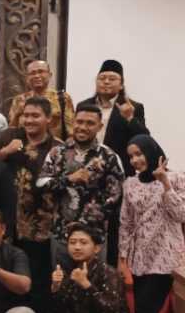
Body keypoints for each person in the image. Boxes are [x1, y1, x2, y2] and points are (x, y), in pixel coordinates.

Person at [119, 135, 185, 313]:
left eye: (139, 154)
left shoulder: (177, 177)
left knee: (145, 311)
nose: (135, 160)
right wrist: (122, 257)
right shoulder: (130, 183)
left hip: (165, 259)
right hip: (139, 259)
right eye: (131, 156)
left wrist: (165, 182)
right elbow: (126, 222)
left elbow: (181, 214)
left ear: (152, 151)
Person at [0, 97, 60, 313]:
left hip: (39, 227)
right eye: (26, 115)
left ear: (48, 118)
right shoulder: (8, 137)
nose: (29, 120)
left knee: (36, 280)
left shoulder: (57, 148)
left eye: (35, 115)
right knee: (5, 276)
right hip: (6, 225)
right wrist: (5, 152)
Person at [37, 105, 124, 271]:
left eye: (90, 123)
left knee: (94, 285)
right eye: (79, 121)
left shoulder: (109, 156)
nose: (83, 127)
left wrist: (86, 222)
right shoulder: (57, 152)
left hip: (94, 240)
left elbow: (117, 197)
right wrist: (68, 179)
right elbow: (41, 183)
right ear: (73, 122)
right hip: (61, 236)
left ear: (100, 126)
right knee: (61, 284)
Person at [77, 59, 150, 176]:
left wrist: (130, 118)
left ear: (121, 84)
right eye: (102, 78)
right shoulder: (83, 105)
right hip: (85, 169)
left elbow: (144, 139)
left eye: (112, 79)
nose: (106, 82)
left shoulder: (133, 107)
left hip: (118, 170)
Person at [8, 60, 74, 141]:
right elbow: (10, 133)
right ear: (27, 78)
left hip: (55, 146)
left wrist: (63, 148)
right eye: (32, 73)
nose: (36, 76)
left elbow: (71, 133)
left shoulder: (62, 98)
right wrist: (17, 114)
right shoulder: (19, 100)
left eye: (40, 72)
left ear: (50, 75)